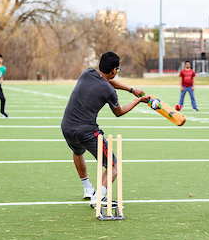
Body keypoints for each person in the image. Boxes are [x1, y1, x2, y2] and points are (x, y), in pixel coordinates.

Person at [61, 52, 150, 203]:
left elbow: (106, 81)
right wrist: (138, 100)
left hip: (67, 127)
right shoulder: (109, 91)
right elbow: (119, 112)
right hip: (87, 131)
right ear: (114, 70)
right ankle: (98, 197)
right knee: (113, 166)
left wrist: (131, 89)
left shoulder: (87, 73)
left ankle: (88, 188)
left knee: (77, 151)